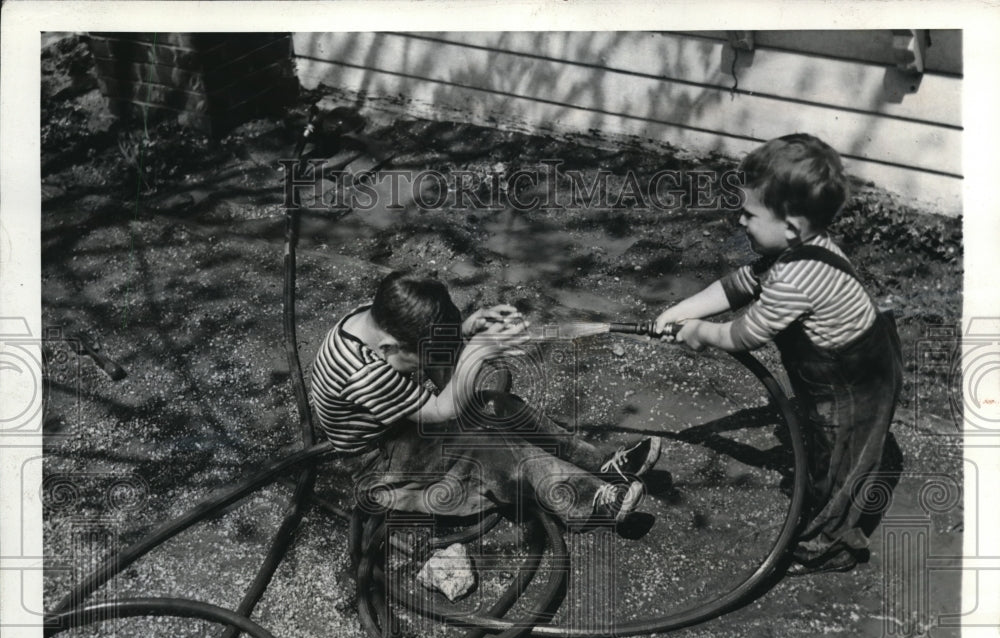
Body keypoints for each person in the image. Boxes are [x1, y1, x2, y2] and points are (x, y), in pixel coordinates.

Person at [654, 133, 903, 574]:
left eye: (749, 213)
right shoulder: (788, 253)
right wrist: (683, 309)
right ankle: (828, 500)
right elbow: (738, 286)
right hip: (839, 362)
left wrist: (702, 333)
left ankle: (832, 547)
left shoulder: (795, 278)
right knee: (829, 445)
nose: (739, 220)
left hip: (854, 378)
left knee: (842, 464)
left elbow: (746, 334)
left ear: (790, 227)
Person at [310, 270, 662, 534]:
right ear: (388, 348)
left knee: (495, 405)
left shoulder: (375, 319)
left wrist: (463, 330)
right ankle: (588, 501)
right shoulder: (365, 372)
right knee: (490, 447)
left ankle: (600, 464)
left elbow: (422, 350)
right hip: (381, 458)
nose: (433, 359)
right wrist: (476, 353)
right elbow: (440, 411)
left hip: (398, 424)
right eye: (422, 356)